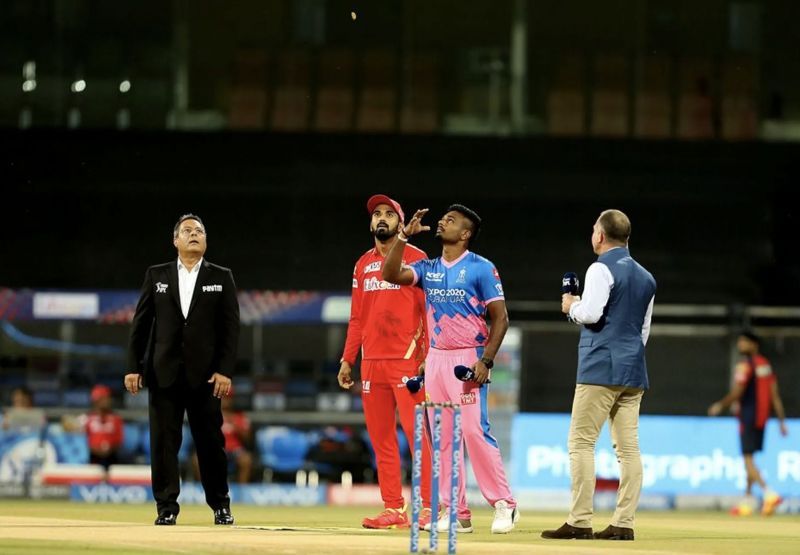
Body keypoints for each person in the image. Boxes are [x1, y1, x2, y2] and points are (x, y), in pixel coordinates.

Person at [382, 204, 519, 535]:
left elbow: (501, 318)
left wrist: (485, 360)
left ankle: (504, 504)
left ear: (466, 234)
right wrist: (402, 236)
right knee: (443, 438)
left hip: (468, 357)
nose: (443, 221)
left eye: (451, 220)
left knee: (474, 431)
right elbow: (389, 274)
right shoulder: (428, 268)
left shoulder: (481, 268)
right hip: (436, 360)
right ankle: (457, 512)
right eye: (444, 218)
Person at [541, 209, 656, 541]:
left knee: (580, 443)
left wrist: (570, 306)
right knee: (628, 449)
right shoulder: (647, 276)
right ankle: (624, 523)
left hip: (599, 367)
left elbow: (590, 314)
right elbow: (643, 331)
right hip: (633, 368)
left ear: (601, 236)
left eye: (594, 230)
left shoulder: (599, 268)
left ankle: (579, 520)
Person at [125, 213, 240, 526]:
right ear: (175, 240)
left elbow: (231, 329)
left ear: (205, 241)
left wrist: (225, 371)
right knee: (163, 444)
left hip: (206, 377)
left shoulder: (222, 275)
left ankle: (221, 505)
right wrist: (134, 367)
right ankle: (166, 508)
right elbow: (141, 323)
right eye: (187, 230)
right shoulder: (156, 274)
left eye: (199, 230)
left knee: (211, 444)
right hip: (163, 374)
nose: (194, 234)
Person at [338, 194, 433, 529]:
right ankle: (393, 508)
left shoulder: (417, 258)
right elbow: (356, 318)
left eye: (388, 214)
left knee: (416, 437)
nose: (381, 218)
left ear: (400, 222)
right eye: (376, 214)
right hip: (372, 363)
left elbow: (429, 311)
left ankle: (426, 509)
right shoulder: (362, 264)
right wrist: (348, 359)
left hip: (407, 362)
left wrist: (426, 355)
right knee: (381, 440)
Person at [708, 331, 788, 516]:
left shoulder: (745, 366)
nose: (740, 344)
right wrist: (781, 420)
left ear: (754, 344)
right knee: (749, 458)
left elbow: (737, 392)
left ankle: (769, 493)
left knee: (748, 459)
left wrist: (720, 405)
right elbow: (774, 395)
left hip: (747, 417)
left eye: (744, 341)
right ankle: (747, 501)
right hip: (761, 418)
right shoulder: (765, 365)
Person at [194, 394, 254, 484]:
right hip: (215, 448)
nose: (226, 401)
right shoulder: (210, 415)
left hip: (235, 451)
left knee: (246, 460)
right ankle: (204, 489)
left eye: (228, 398)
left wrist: (235, 426)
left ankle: (242, 490)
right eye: (223, 398)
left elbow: (248, 439)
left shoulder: (239, 416)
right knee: (197, 458)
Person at [84, 385, 124, 469]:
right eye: (103, 399)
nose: (106, 401)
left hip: (112, 457)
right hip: (94, 457)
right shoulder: (88, 418)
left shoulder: (115, 418)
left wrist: (108, 450)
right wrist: (96, 450)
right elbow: (84, 439)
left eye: (107, 398)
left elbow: (119, 440)